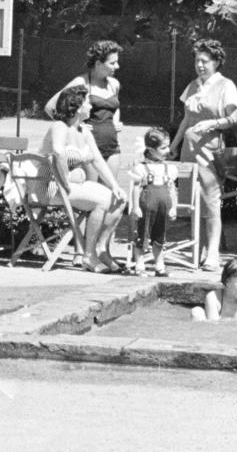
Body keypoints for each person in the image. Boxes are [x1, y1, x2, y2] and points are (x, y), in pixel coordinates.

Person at [170, 39, 237, 271]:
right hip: (188, 151)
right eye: (197, 60)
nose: (199, 65)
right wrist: (174, 145)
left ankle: (212, 253)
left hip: (210, 150)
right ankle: (195, 249)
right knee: (192, 202)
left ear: (217, 62)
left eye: (205, 61)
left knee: (211, 202)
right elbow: (187, 119)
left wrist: (211, 124)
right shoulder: (192, 86)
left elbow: (233, 118)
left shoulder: (226, 85)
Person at [43, 84, 127, 273]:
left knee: (120, 198)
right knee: (102, 201)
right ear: (78, 107)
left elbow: (97, 160)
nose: (92, 106)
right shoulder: (59, 126)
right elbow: (57, 152)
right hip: (51, 187)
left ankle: (101, 248)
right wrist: (66, 178)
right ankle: (88, 256)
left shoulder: (83, 130)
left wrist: (115, 185)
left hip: (69, 186)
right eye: (88, 102)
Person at [44, 40, 124, 166]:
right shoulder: (81, 82)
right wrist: (73, 127)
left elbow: (115, 107)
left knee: (111, 186)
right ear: (98, 63)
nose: (117, 66)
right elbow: (50, 107)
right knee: (89, 186)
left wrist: (116, 122)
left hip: (113, 148)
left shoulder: (114, 84)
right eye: (112, 63)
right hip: (87, 150)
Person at [130, 127, 177, 277]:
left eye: (168, 146)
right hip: (146, 207)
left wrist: (174, 207)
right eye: (163, 148)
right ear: (150, 149)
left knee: (159, 236)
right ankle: (139, 264)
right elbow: (136, 189)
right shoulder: (142, 168)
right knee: (143, 235)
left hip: (162, 208)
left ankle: (159, 264)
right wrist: (136, 207)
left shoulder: (167, 168)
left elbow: (171, 189)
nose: (167, 150)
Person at [192, 256, 237, 320]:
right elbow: (213, 327)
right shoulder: (214, 299)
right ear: (227, 282)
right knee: (196, 312)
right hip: (216, 329)